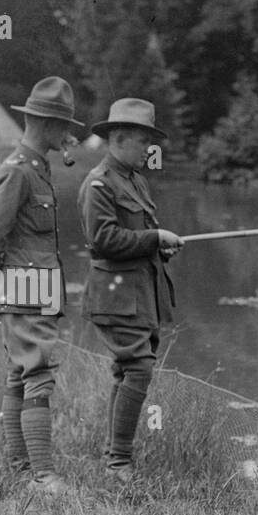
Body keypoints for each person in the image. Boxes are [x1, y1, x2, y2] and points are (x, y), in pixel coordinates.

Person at [0, 77, 85, 494]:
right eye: (63, 126)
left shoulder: (39, 168)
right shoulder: (18, 171)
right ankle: (43, 475)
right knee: (36, 370)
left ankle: (21, 466)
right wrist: (1, 278)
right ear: (48, 125)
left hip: (36, 285)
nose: (68, 135)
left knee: (21, 372)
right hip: (25, 286)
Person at [77, 99, 184, 484]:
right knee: (138, 367)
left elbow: (134, 236)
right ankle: (118, 462)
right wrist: (154, 236)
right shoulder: (99, 184)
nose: (148, 151)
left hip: (139, 293)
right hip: (116, 296)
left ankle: (115, 457)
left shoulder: (136, 180)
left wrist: (158, 245)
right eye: (143, 143)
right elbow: (104, 240)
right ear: (118, 140)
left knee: (128, 370)